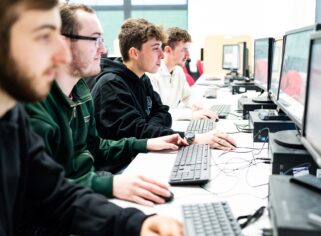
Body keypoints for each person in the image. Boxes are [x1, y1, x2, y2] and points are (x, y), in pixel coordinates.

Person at [0, 0, 183, 235]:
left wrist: (136, 224)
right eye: (43, 36)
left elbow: (55, 195)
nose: (61, 54)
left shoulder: (11, 119)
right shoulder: (31, 112)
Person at [91, 18, 237, 150]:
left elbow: (163, 113)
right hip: (121, 169)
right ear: (134, 53)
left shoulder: (142, 78)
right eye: (155, 48)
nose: (162, 55)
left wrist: (149, 128)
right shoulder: (111, 86)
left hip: (140, 155)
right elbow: (139, 134)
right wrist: (193, 138)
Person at [147, 27, 218, 121]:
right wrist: (191, 115)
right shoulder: (152, 75)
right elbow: (159, 112)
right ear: (168, 50)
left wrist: (195, 104)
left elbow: (187, 96)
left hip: (172, 123)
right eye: (183, 50)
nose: (188, 55)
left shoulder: (178, 71)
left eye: (188, 49)